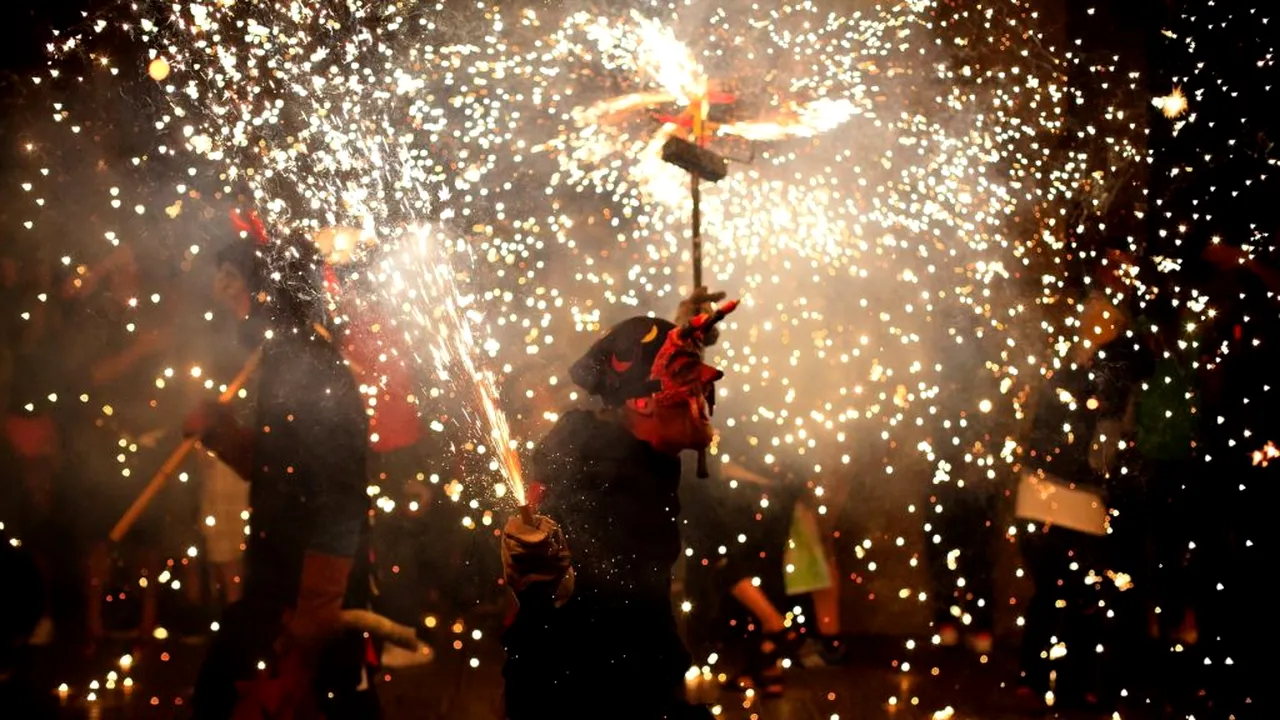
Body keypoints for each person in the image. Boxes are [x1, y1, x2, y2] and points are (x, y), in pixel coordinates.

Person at [500, 294, 737, 720]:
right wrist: (550, 577)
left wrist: (678, 334)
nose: (707, 378)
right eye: (687, 372)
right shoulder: (603, 479)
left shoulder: (627, 448)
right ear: (640, 401)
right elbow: (571, 600)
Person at [184, 217, 376, 720]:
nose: (224, 293)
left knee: (318, 698)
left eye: (234, 279)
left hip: (307, 589)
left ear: (267, 291)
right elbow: (282, 473)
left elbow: (339, 492)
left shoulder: (307, 365)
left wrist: (317, 607)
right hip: (279, 580)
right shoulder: (285, 358)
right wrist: (221, 434)